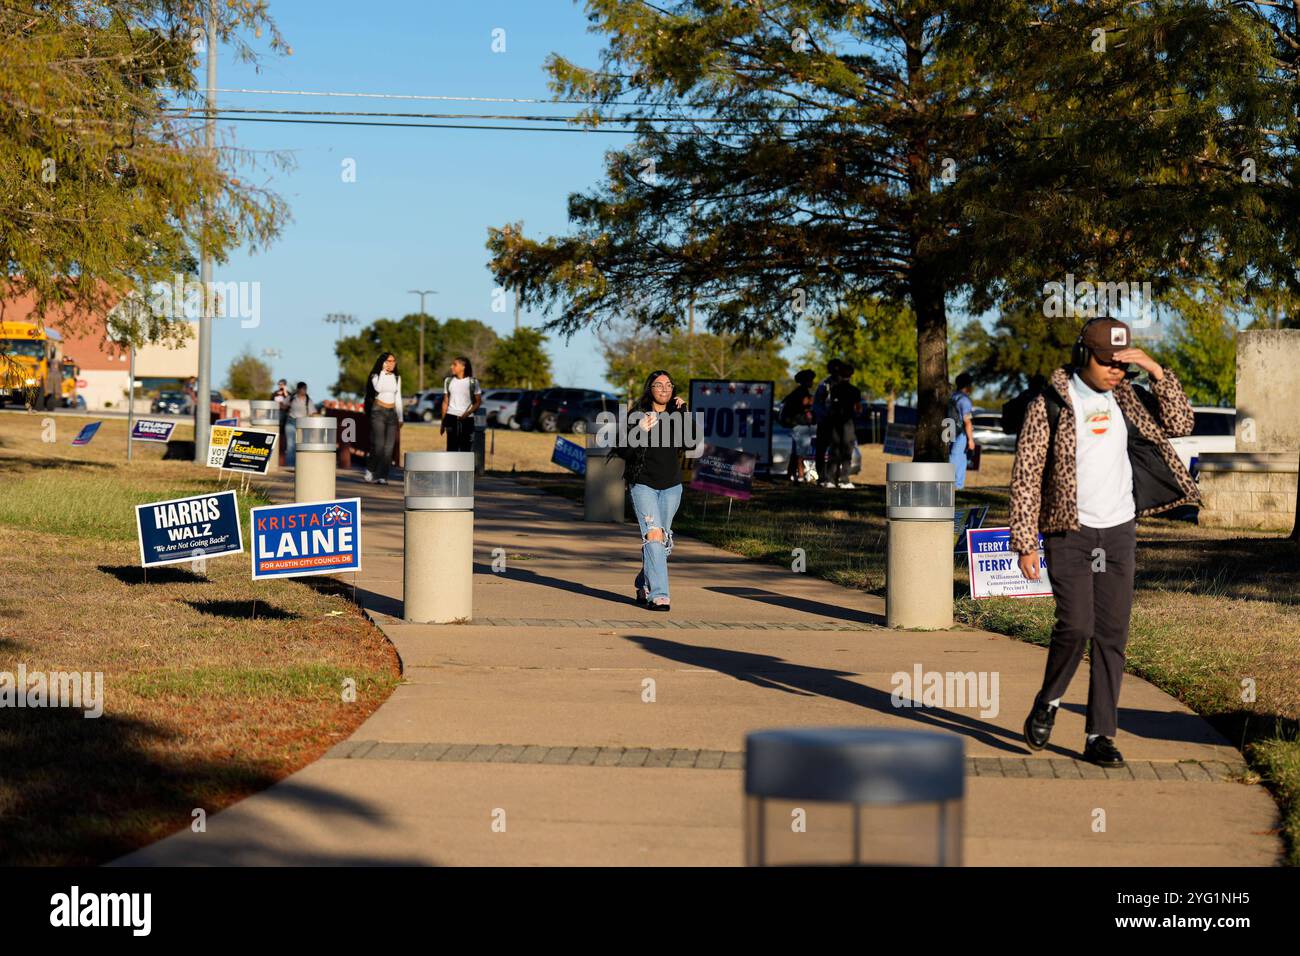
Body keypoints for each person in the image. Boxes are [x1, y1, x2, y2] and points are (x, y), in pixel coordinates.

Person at [1013, 318, 1198, 768]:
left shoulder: (1128, 398)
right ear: (1082, 357)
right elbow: (1027, 472)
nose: (1116, 371)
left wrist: (1156, 372)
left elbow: (1180, 421)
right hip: (1069, 530)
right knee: (1076, 625)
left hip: (1118, 530)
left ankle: (1100, 734)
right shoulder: (1051, 403)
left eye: (1123, 364)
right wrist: (1025, 541)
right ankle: (1049, 699)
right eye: (1107, 363)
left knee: (1112, 635)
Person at [615, 370, 689, 612]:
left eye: (669, 384)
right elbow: (621, 450)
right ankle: (659, 595)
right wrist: (640, 431)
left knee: (662, 541)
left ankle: (642, 581)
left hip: (672, 487)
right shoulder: (637, 416)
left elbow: (689, 444)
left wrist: (685, 413)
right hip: (643, 484)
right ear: (650, 389)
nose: (665, 389)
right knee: (654, 537)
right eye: (659, 385)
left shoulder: (677, 413)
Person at [363, 352, 402, 485]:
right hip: (378, 411)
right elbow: (379, 388)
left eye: (393, 361)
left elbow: (398, 397)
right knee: (379, 445)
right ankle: (370, 469)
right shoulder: (376, 375)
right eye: (388, 361)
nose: (391, 363)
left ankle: (382, 476)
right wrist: (383, 372)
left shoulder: (397, 377)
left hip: (392, 413)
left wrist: (400, 417)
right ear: (383, 362)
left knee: (389, 447)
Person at [822, 363, 861, 489]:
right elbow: (858, 409)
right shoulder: (855, 391)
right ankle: (844, 480)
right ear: (851, 375)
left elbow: (829, 406)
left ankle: (830, 480)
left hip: (835, 423)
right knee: (847, 451)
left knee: (834, 450)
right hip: (848, 423)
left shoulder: (834, 389)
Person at [779, 369, 817, 482]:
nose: (812, 382)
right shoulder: (802, 392)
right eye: (811, 380)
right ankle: (800, 476)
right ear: (806, 381)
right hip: (800, 425)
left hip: (796, 425)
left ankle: (790, 475)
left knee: (795, 452)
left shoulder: (796, 392)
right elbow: (806, 402)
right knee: (801, 452)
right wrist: (816, 399)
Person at [440, 356, 483, 452]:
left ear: (463, 367)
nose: (451, 367)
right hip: (451, 417)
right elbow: (445, 402)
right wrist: (443, 422)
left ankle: (464, 467)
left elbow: (478, 402)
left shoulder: (473, 382)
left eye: (455, 365)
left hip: (467, 419)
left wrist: (467, 413)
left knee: (465, 447)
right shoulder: (448, 381)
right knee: (451, 447)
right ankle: (451, 467)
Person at [812, 359, 844, 480]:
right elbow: (817, 404)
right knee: (821, 450)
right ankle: (821, 476)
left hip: (839, 423)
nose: (835, 372)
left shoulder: (844, 385)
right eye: (833, 369)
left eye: (837, 369)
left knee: (837, 450)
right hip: (825, 422)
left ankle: (834, 476)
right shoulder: (824, 384)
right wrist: (824, 416)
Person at [948, 371, 976, 490]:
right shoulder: (964, 400)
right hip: (961, 433)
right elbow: (967, 421)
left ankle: (958, 484)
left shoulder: (952, 396)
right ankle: (957, 486)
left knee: (959, 458)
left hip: (949, 430)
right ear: (968, 385)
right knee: (957, 458)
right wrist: (971, 440)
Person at [283, 381, 315, 466]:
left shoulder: (309, 400)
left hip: (303, 424)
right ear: (298, 389)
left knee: (301, 445)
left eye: (305, 388)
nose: (304, 390)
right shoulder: (292, 398)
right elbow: (283, 406)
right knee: (290, 445)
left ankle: (301, 465)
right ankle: (290, 466)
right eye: (302, 388)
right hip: (291, 421)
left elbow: (312, 413)